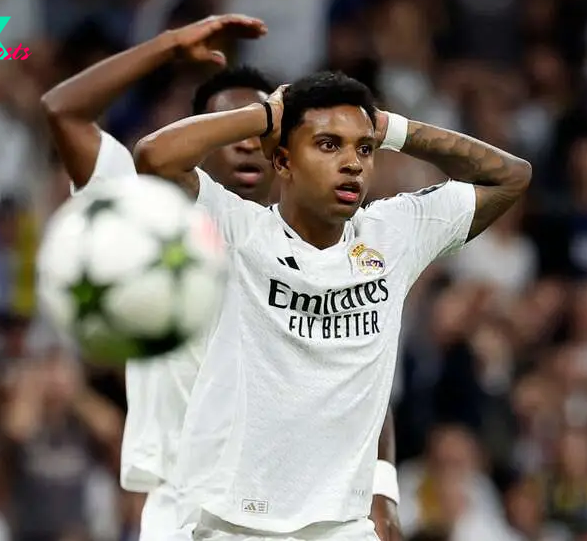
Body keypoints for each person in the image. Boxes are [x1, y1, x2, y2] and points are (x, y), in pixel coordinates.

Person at [41, 16, 402, 540]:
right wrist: (167, 47)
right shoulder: (145, 206)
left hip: (302, 511)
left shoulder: (328, 240)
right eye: (233, 126)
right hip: (183, 503)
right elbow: (62, 111)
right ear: (200, 138)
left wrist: (382, 492)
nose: (247, 142)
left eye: (263, 129)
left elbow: (364, 379)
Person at [134, 68, 531, 540]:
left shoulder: (394, 233)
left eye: (363, 149)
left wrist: (392, 130)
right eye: (328, 145)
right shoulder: (237, 231)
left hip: (342, 527)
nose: (353, 163)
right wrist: (267, 114)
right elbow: (152, 157)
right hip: (232, 524)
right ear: (282, 161)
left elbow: (511, 177)